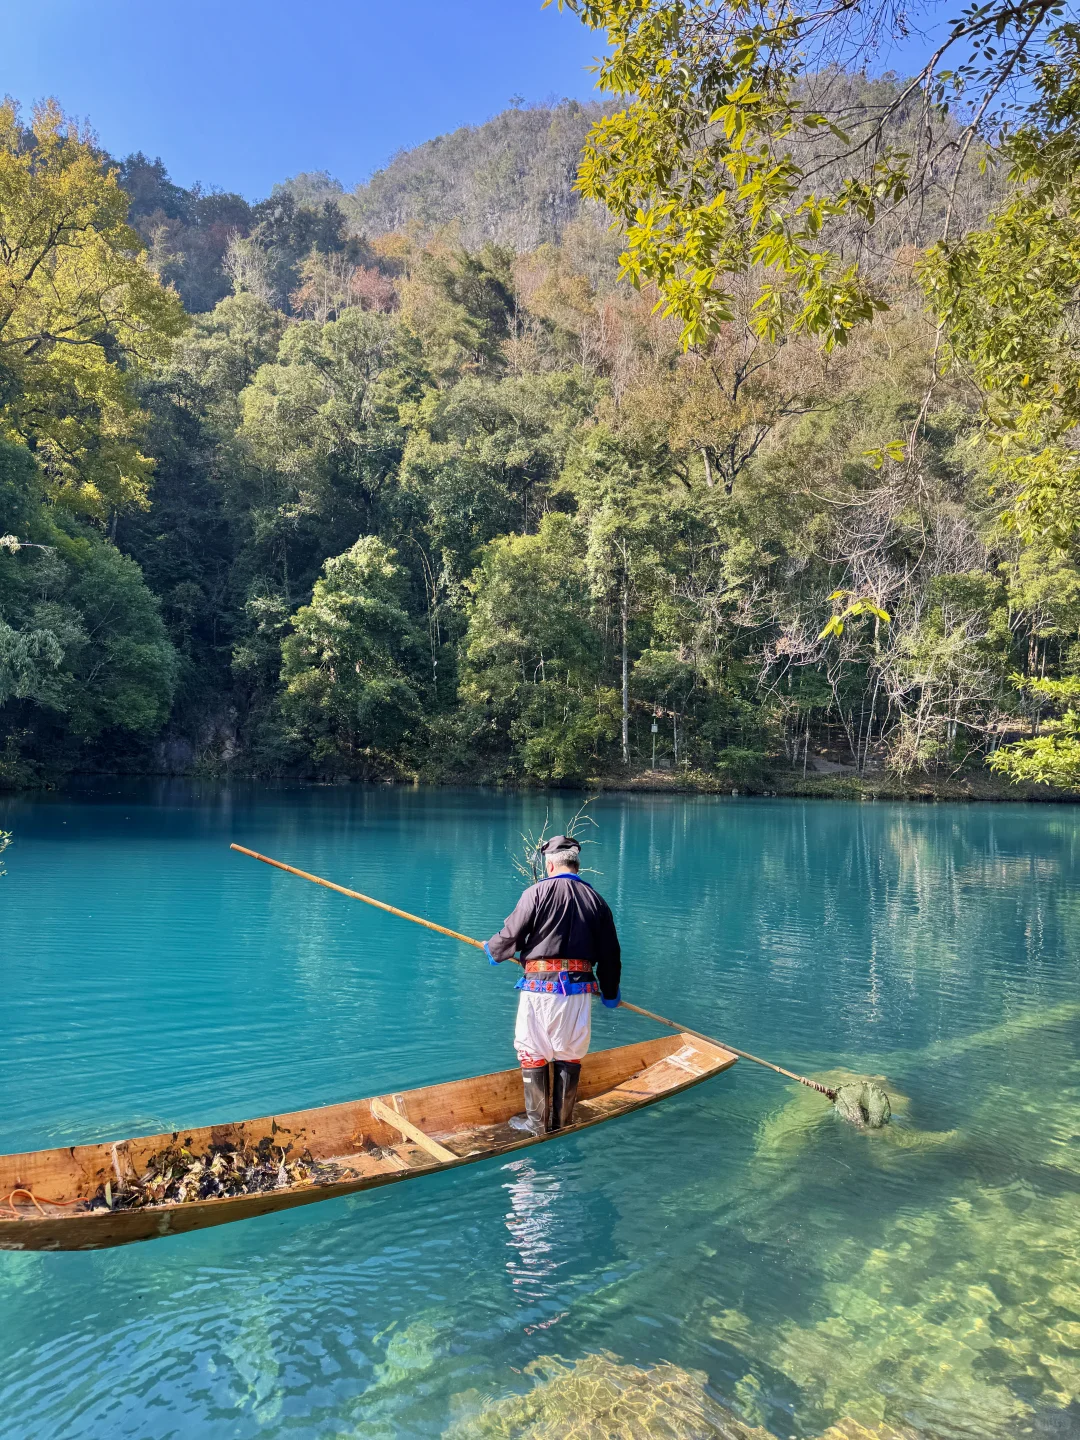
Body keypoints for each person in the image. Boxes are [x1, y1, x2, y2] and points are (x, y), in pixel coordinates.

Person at [484, 834, 622, 1135]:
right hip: (578, 991)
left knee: (531, 1048)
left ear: (549, 864)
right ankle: (562, 1123)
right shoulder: (597, 901)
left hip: (539, 989)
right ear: (576, 864)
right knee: (568, 1051)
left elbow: (511, 934)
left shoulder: (536, 893)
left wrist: (494, 950)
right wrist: (610, 993)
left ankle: (536, 1125)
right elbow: (611, 955)